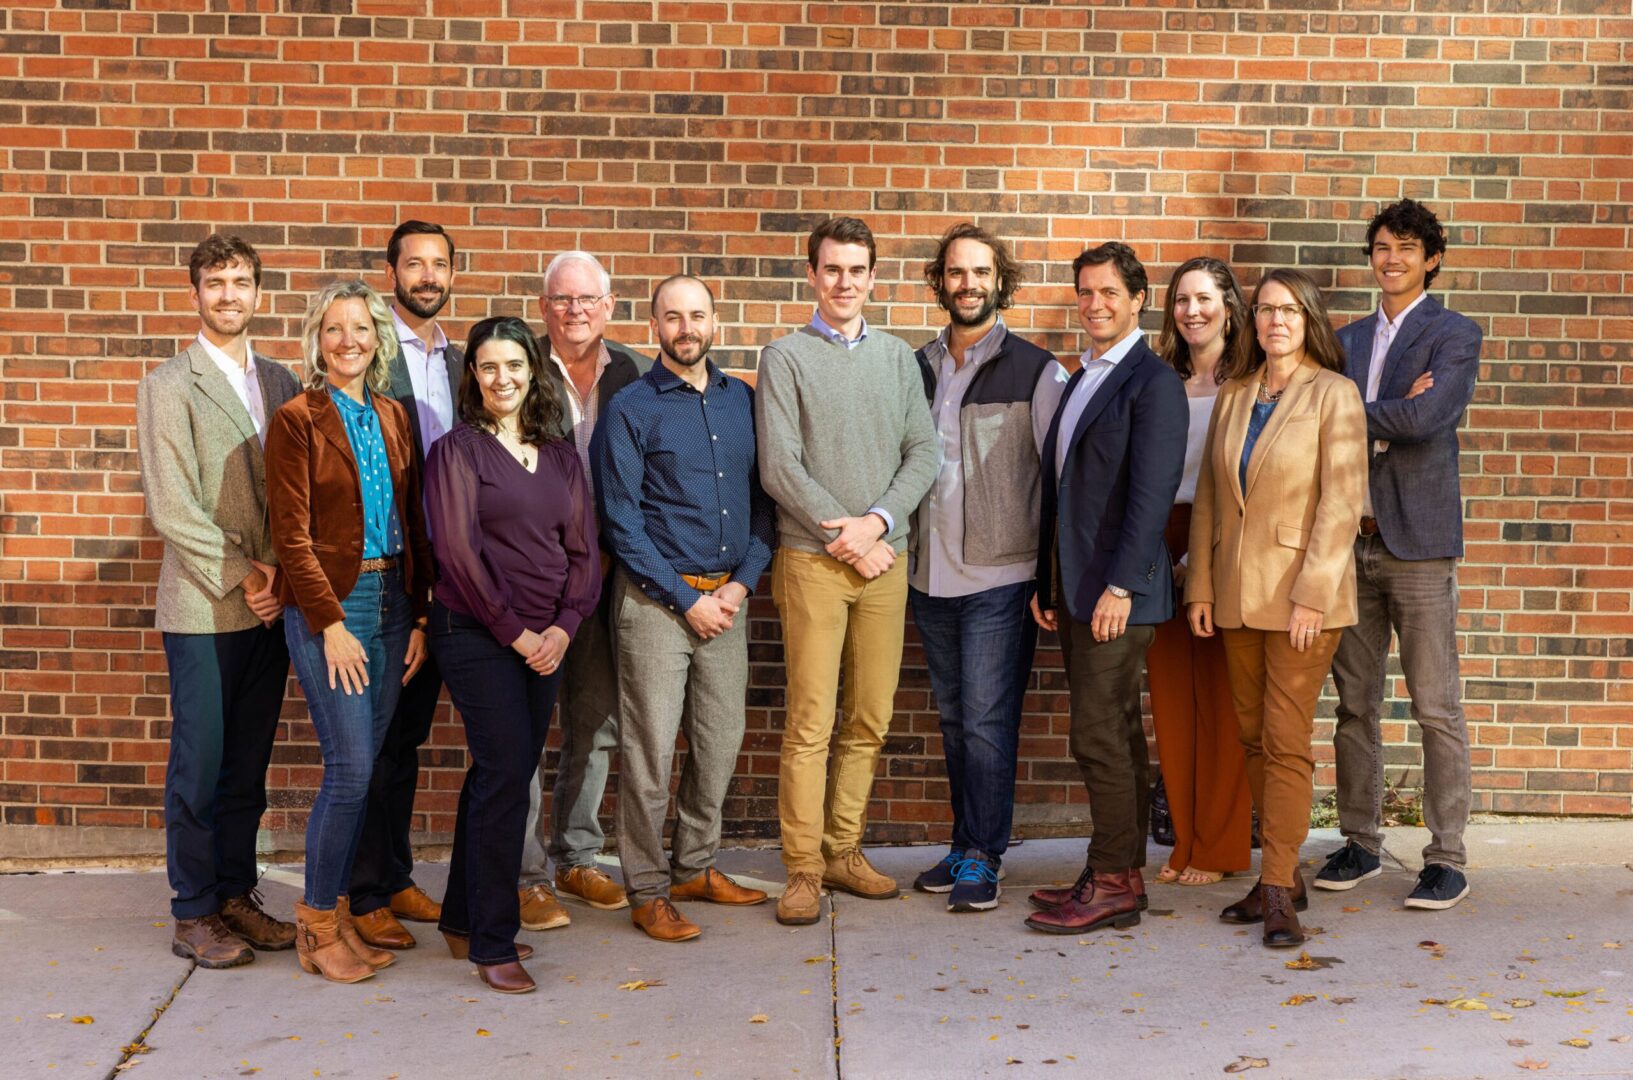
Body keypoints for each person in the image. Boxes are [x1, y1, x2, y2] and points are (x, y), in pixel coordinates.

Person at [756, 216, 939, 926]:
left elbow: (923, 452)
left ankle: (843, 850)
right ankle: (802, 868)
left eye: (856, 270)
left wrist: (877, 524)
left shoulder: (896, 359)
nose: (843, 282)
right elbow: (779, 467)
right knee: (810, 720)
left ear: (872, 277)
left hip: (883, 561)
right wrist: (848, 536)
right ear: (812, 275)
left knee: (869, 716)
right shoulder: (784, 357)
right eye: (831, 269)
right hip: (812, 562)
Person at [1185, 268, 1366, 949]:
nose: (1275, 321)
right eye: (1264, 309)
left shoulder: (1334, 394)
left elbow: (1341, 504)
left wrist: (1312, 595)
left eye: (1288, 310)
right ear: (1251, 320)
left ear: (1308, 318)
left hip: (1300, 600)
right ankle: (1282, 876)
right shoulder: (1235, 392)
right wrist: (1200, 587)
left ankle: (1275, 886)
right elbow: (1210, 496)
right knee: (1253, 739)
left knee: (1286, 742)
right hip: (1236, 595)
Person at [593, 276, 776, 942]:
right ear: (655, 326)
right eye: (672, 316)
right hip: (655, 605)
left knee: (719, 742)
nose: (686, 327)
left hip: (727, 601)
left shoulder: (742, 401)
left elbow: (765, 504)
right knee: (649, 754)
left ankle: (695, 866)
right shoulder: (631, 407)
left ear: (714, 321)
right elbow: (620, 520)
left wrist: (740, 586)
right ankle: (647, 889)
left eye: (697, 314)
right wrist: (686, 599)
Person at [137, 235, 301, 968]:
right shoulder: (168, 385)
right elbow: (171, 507)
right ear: (195, 293)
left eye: (240, 282)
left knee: (247, 765)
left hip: (271, 608)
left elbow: (297, 491)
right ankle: (193, 910)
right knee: (200, 765)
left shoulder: (282, 379)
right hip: (205, 606)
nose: (228, 295)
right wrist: (248, 576)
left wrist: (285, 578)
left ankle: (236, 895)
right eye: (215, 282)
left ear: (258, 292)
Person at [425, 316, 601, 994]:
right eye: (489, 366)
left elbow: (582, 550)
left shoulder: (559, 455)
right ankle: (493, 942)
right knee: (504, 776)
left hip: (546, 639)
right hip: (475, 632)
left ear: (534, 372)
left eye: (514, 365)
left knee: (500, 774)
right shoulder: (457, 452)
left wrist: (564, 625)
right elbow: (457, 554)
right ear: (473, 375)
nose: (502, 378)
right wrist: (516, 633)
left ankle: (462, 918)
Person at [265, 280, 433, 983]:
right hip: (335, 605)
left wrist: (419, 612)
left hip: (394, 604)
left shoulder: (393, 414)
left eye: (360, 328)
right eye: (334, 329)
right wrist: (329, 622)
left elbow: (415, 519)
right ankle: (316, 925)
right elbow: (291, 536)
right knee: (351, 768)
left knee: (371, 767)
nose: (348, 341)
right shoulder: (296, 419)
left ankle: (338, 913)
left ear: (377, 339)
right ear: (317, 339)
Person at [1319, 199, 1482, 911]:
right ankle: (1359, 841)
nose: (1391, 259)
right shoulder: (1343, 339)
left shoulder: (1455, 333)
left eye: (1406, 248)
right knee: (1353, 705)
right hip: (1348, 542)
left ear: (1431, 259)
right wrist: (1383, 411)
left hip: (1417, 544)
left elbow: (1426, 417)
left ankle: (1446, 857)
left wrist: (1351, 410)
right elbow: (1311, 417)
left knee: (1435, 706)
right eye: (1382, 247)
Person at [1022, 242, 1187, 936]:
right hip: (1077, 588)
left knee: (1097, 735)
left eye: (1109, 292)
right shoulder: (1081, 377)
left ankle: (1113, 881)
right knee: (1113, 731)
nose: (1094, 304)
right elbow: (1062, 492)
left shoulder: (1153, 383)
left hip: (1118, 593)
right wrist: (1046, 579)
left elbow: (1151, 497)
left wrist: (1120, 585)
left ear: (1138, 300)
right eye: (1085, 292)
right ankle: (1118, 873)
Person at [905, 224, 1068, 913]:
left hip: (1000, 578)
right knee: (953, 722)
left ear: (1001, 282)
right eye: (955, 272)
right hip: (926, 575)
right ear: (939, 282)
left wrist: (1049, 581)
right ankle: (963, 842)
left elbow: (1060, 481)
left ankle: (984, 855)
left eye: (980, 272)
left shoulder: (1037, 371)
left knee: (985, 723)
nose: (966, 284)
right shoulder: (912, 367)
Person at [517, 251, 650, 929]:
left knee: (595, 722)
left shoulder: (637, 374)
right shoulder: (515, 369)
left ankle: (576, 857)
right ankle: (524, 874)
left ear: (610, 306)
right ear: (544, 307)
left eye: (587, 299)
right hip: (533, 576)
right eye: (562, 300)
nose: (575, 311)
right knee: (523, 729)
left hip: (608, 573)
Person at [349, 220, 464, 950]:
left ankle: (392, 875)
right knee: (374, 738)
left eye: (439, 264)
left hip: (444, 570)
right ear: (391, 272)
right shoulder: (367, 349)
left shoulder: (460, 360)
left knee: (408, 735)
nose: (427, 276)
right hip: (383, 571)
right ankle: (362, 893)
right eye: (414, 263)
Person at [1145, 257, 1255, 888]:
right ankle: (1185, 840)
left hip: (1225, 542)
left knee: (1222, 701)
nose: (1192, 311)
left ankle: (1220, 846)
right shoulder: (1159, 380)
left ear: (1230, 307)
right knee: (1170, 702)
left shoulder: (1254, 381)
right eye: (1182, 300)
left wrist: (1203, 558)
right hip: (1158, 542)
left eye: (1205, 298)